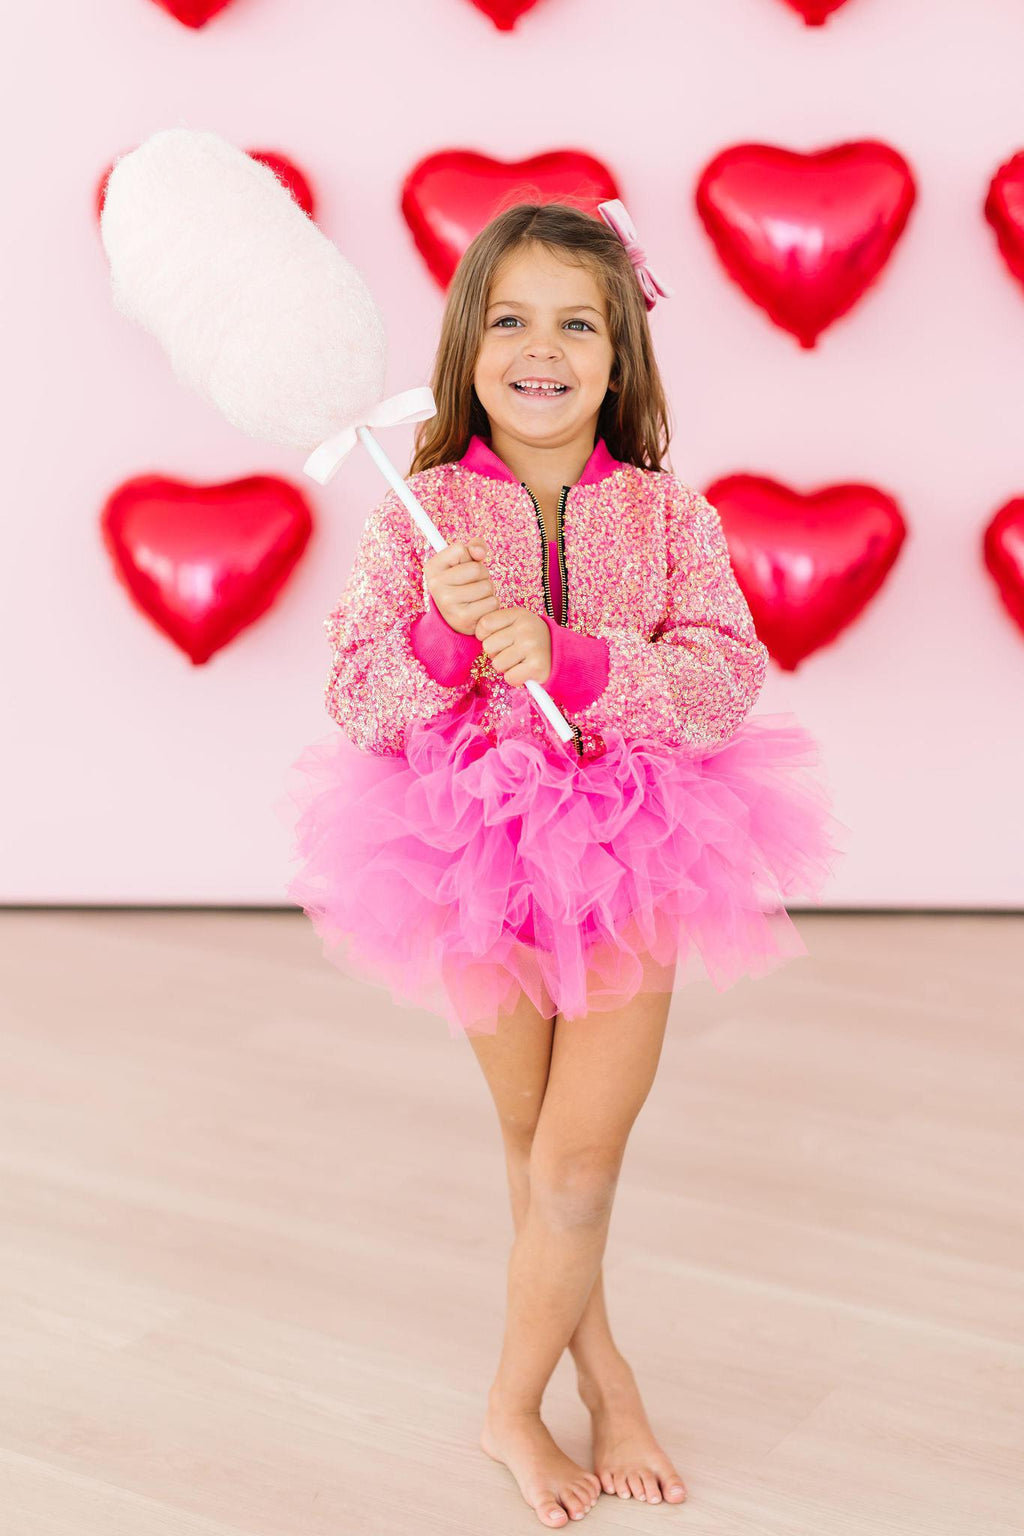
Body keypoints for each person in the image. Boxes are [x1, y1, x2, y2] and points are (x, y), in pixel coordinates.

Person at [279, 199, 847, 1526]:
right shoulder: (420, 514)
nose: (543, 349)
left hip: (641, 847)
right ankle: (603, 1372)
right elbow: (356, 697)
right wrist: (444, 644)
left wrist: (578, 662)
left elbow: (726, 678)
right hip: (468, 848)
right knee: (534, 1145)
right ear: (467, 346)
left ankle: (509, 1403)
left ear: (620, 354)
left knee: (578, 1163)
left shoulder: (669, 514)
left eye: (578, 324)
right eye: (511, 319)